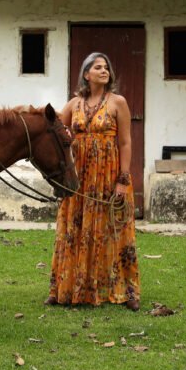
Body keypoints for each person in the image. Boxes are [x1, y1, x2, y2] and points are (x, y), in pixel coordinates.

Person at [46, 51, 140, 310]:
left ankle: (126, 291)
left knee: (113, 230)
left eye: (106, 67)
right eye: (98, 67)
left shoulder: (118, 102)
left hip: (108, 175)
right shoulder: (74, 104)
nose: (104, 70)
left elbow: (125, 142)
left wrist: (123, 179)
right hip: (79, 178)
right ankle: (63, 288)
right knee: (73, 229)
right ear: (86, 74)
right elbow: (55, 128)